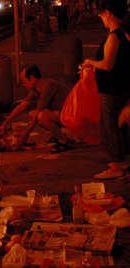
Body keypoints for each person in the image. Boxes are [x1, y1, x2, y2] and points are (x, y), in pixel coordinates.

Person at [82, 0, 130, 179]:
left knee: (111, 127)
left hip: (110, 89)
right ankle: (123, 159)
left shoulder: (113, 36)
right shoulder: (124, 34)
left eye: (101, 13)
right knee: (121, 125)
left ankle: (116, 166)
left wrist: (90, 62)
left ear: (108, 13)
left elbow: (107, 64)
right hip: (121, 87)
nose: (100, 16)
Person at [0, 64, 72, 152]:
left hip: (71, 116)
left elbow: (37, 115)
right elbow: (22, 105)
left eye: (24, 82)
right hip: (61, 114)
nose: (23, 85)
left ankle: (63, 140)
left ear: (32, 79)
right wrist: (5, 123)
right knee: (32, 114)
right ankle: (59, 135)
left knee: (41, 116)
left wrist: (25, 135)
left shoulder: (47, 86)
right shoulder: (37, 88)